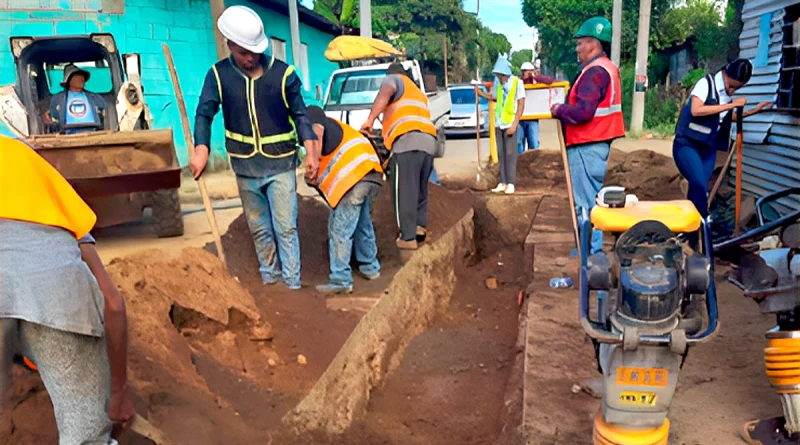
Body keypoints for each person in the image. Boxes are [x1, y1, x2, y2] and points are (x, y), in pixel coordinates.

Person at [0, 135, 134, 443]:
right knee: (86, 433)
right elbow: (113, 303)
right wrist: (118, 391)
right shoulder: (44, 187)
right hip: (56, 293)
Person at [191, 5, 317, 290]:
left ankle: (293, 286)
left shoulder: (284, 75)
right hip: (245, 168)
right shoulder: (218, 76)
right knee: (260, 229)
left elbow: (301, 115)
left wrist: (310, 151)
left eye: (254, 52)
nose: (250, 58)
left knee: (286, 227)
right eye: (243, 53)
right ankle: (270, 284)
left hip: (281, 165)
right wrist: (202, 150)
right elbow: (204, 113)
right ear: (231, 45)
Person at [550, 17, 625, 255]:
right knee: (592, 201)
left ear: (593, 44)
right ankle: (589, 249)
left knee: (585, 205)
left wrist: (559, 110)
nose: (577, 48)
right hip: (596, 145)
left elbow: (583, 112)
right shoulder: (606, 68)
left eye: (580, 43)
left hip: (586, 145)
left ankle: (589, 254)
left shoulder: (594, 73)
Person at [673, 59, 769, 219]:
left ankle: (694, 230)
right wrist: (731, 105)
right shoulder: (705, 85)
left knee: (701, 188)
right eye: (731, 86)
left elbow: (728, 117)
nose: (731, 91)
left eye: (736, 89)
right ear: (725, 74)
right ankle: (703, 224)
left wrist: (755, 110)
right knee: (698, 183)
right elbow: (696, 110)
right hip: (687, 144)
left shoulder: (727, 97)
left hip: (707, 149)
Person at [304, 106, 384, 294]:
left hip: (355, 178)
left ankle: (341, 280)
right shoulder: (339, 128)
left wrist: (313, 164)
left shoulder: (312, 116)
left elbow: (317, 130)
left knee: (339, 229)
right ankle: (370, 267)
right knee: (362, 224)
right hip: (371, 174)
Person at [360, 63, 438, 251]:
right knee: (420, 189)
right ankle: (419, 228)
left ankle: (407, 237)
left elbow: (386, 91)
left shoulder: (394, 79)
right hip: (428, 141)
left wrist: (370, 119)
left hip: (406, 141)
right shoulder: (417, 92)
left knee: (403, 191)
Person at [477, 56, 526, 195]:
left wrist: (515, 124)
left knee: (511, 154)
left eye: (499, 74)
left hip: (510, 123)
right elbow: (494, 97)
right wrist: (480, 93)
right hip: (499, 123)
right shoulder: (497, 83)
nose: (497, 77)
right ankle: (503, 182)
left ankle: (511, 183)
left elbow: (521, 104)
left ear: (505, 73)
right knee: (501, 154)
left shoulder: (517, 83)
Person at [46, 64, 106, 134]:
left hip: (93, 134)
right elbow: (54, 120)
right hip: (67, 137)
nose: (81, 78)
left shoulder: (96, 98)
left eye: (82, 76)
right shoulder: (57, 99)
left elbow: (105, 115)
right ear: (68, 80)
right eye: (77, 76)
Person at [518, 61, 555, 153]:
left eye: (526, 71)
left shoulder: (536, 81)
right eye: (523, 71)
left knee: (534, 143)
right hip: (519, 118)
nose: (524, 73)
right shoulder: (518, 82)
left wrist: (536, 77)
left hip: (532, 118)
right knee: (519, 144)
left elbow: (550, 81)